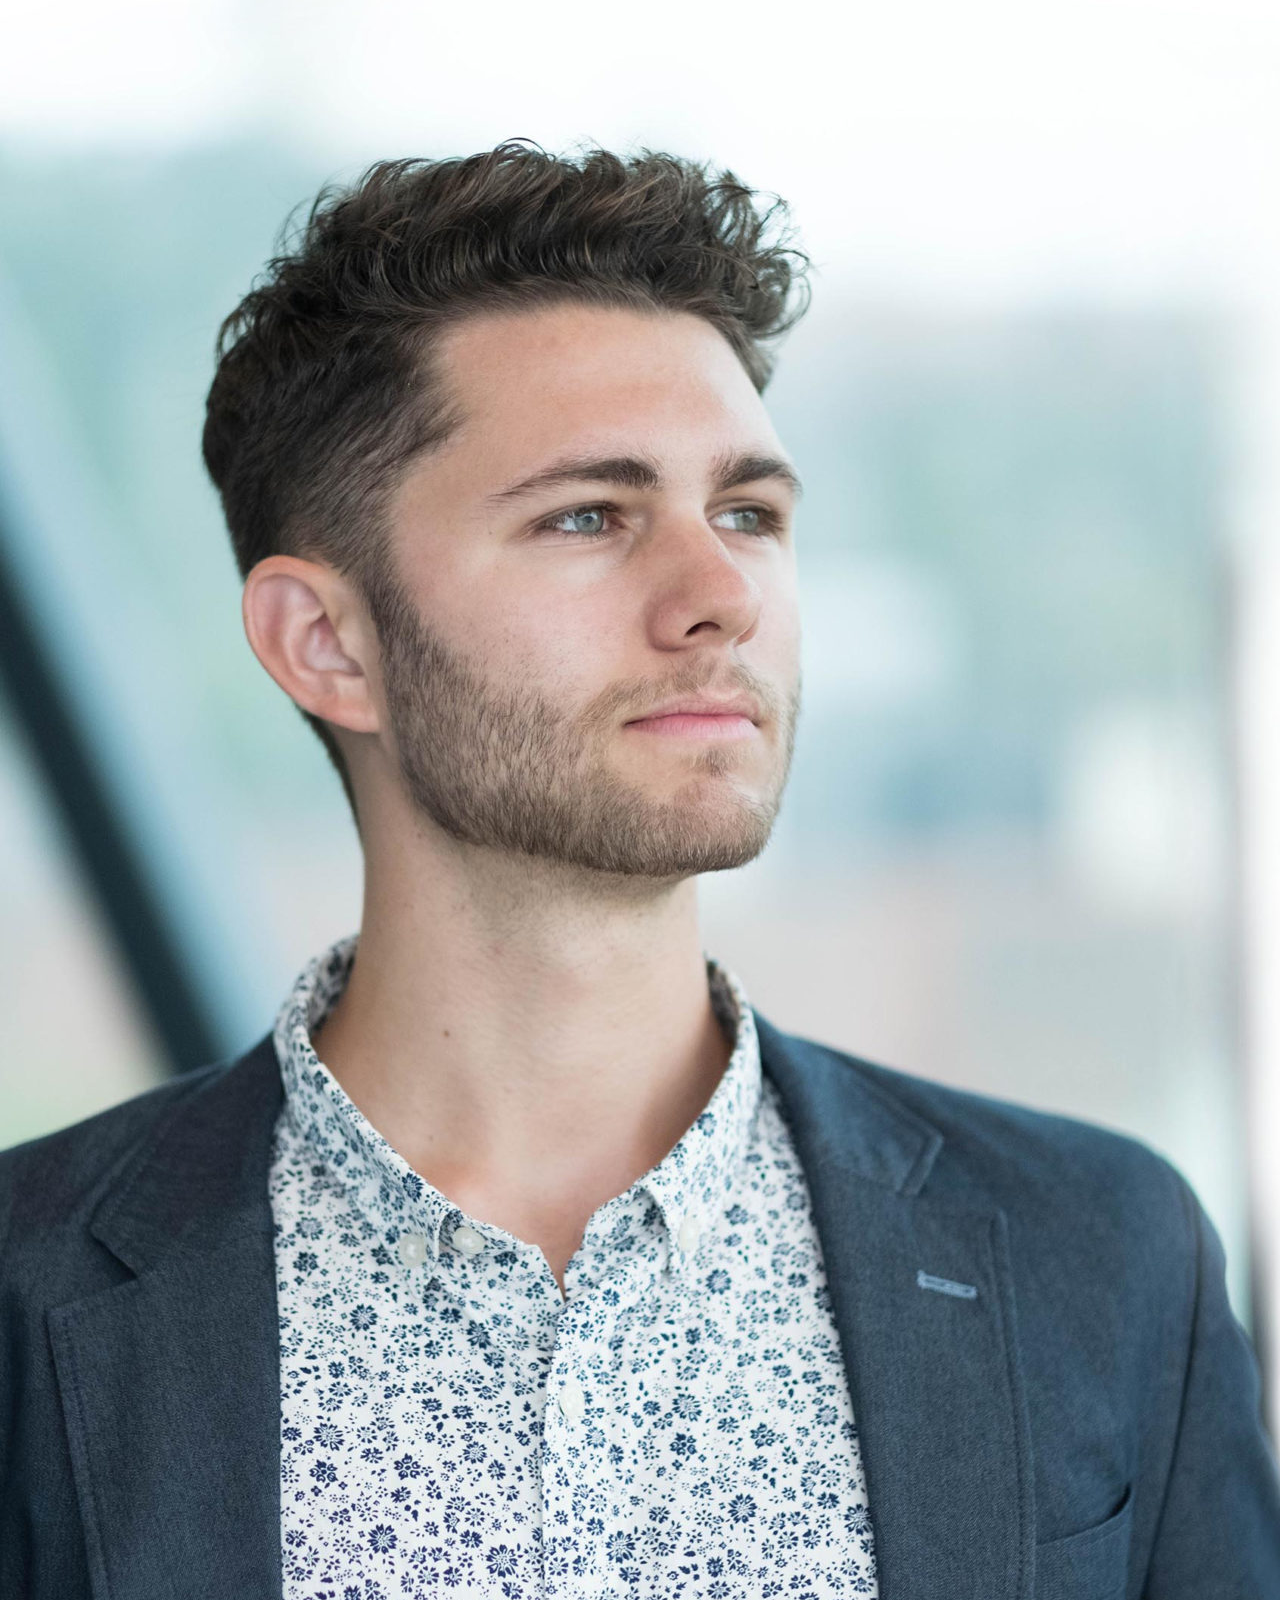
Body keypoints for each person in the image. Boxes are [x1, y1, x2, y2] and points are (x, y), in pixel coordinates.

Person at [1, 140, 1277, 1600]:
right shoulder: (26, 1301)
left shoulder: (1102, 1258)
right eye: (588, 517)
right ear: (327, 644)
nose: (721, 596)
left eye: (749, 515)